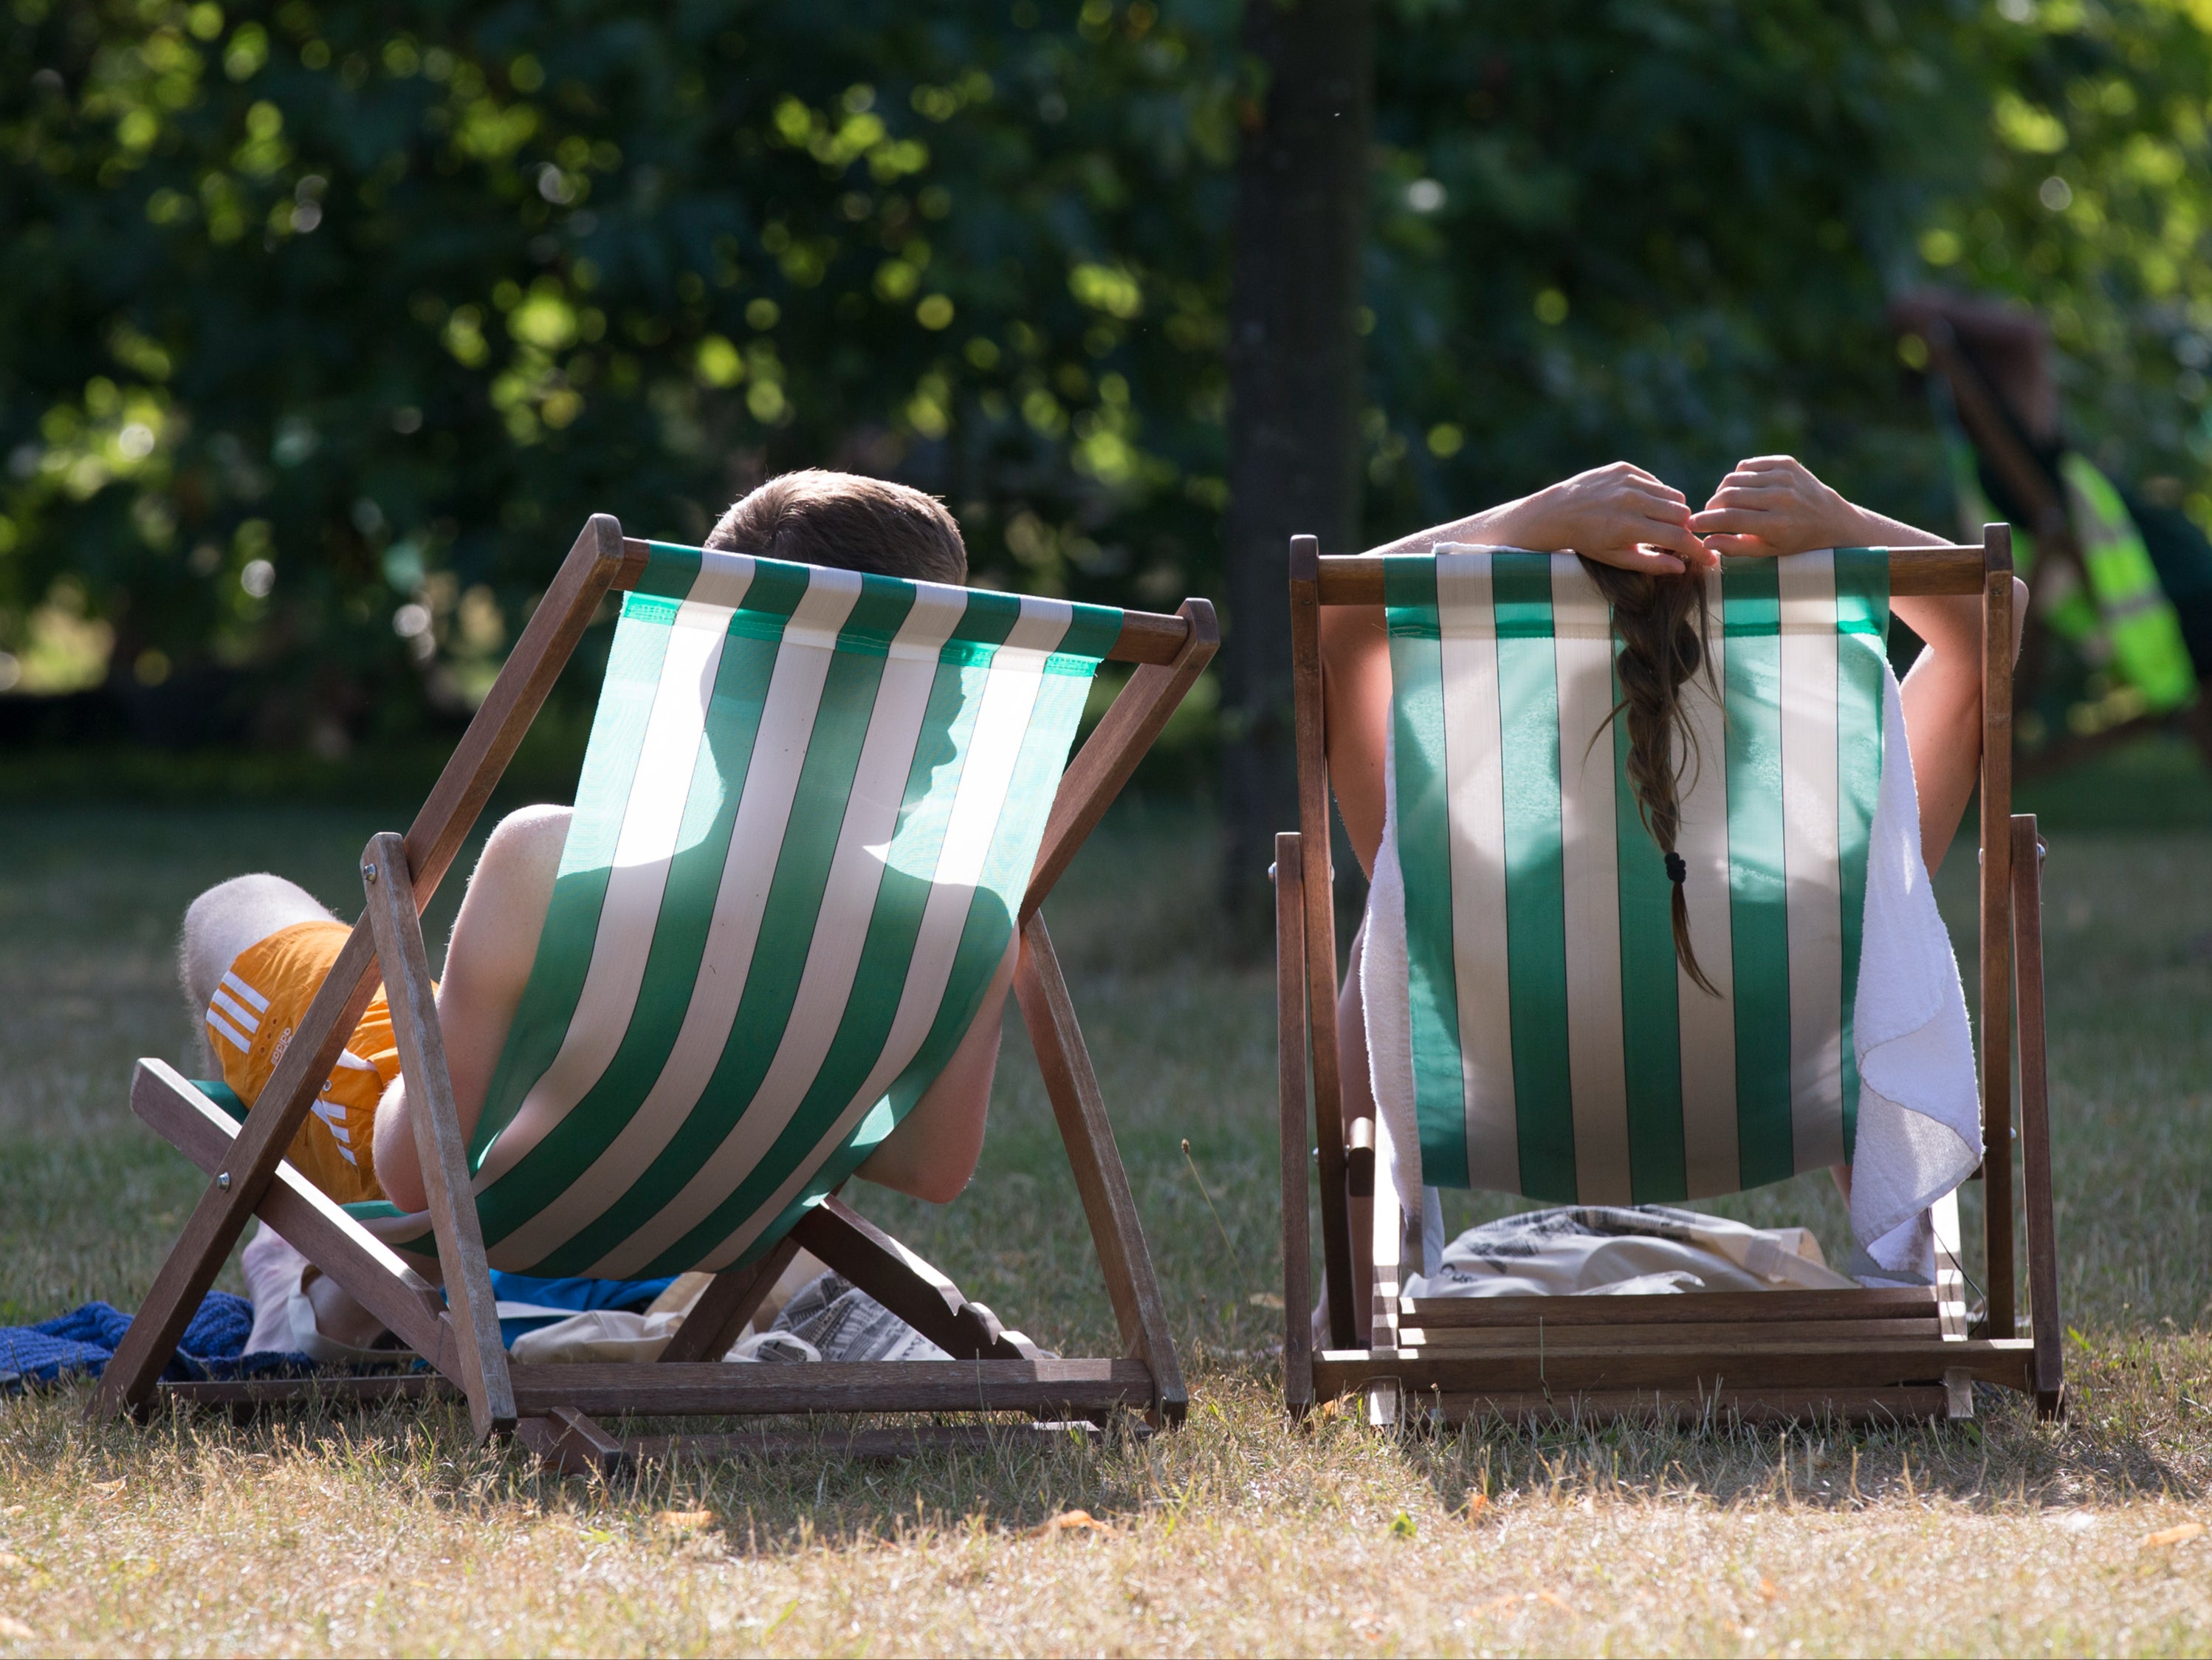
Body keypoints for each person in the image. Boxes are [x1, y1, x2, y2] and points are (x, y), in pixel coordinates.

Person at [180, 471, 1014, 1348]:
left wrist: (450, 1050)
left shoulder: (550, 864)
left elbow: (416, 1174)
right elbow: (929, 1164)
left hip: (492, 1202)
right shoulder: (966, 927)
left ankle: (295, 1276)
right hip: (712, 1212)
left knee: (232, 908)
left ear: (710, 683)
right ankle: (354, 1287)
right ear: (948, 700)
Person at [1316, 456, 2027, 1333]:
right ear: (1761, 757)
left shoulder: (1467, 901)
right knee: (1880, 940)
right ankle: (1907, 1279)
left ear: (1536, 748)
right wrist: (1846, 526)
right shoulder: (1829, 887)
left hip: (1515, 1100)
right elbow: (1994, 625)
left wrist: (1531, 517)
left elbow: (1335, 615)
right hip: (1770, 1097)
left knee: (1383, 934)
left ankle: (1353, 1309)